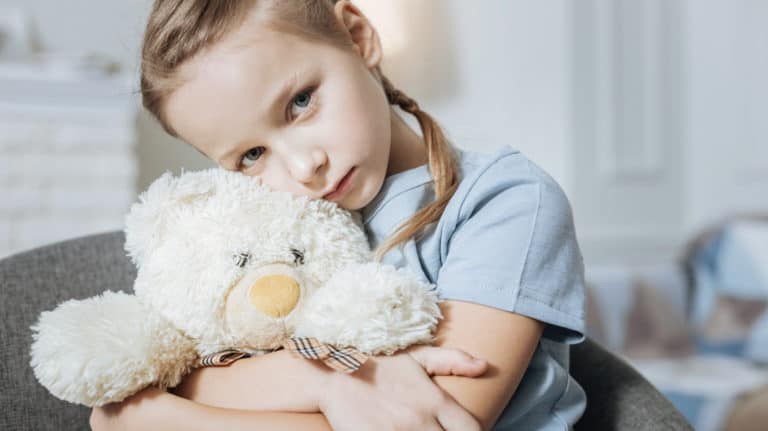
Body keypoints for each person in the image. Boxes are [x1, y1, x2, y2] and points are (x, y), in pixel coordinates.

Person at [91, 1, 586, 430]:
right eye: (252, 155)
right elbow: (182, 369)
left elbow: (433, 422)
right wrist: (324, 383)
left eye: (300, 102)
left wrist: (156, 418)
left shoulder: (504, 201)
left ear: (358, 36)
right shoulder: (263, 234)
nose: (304, 167)